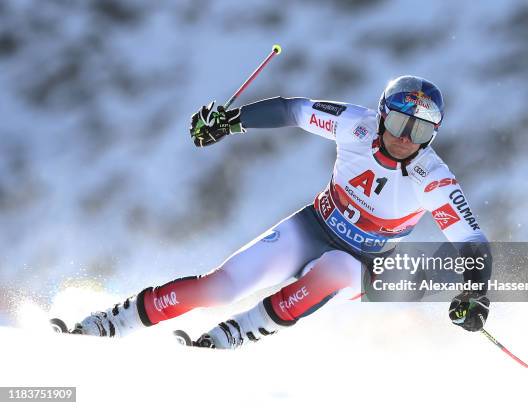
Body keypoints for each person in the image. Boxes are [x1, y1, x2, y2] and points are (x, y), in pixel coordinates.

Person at [71, 76, 491, 348]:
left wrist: (475, 293)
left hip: (364, 263)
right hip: (313, 226)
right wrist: (230, 121)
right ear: (381, 115)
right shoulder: (356, 124)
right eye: (400, 124)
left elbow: (472, 241)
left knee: (333, 274)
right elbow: (294, 110)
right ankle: (113, 322)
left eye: (420, 132)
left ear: (432, 134)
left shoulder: (432, 176)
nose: (405, 138)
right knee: (220, 287)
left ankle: (231, 337)